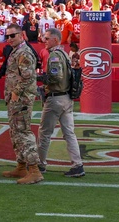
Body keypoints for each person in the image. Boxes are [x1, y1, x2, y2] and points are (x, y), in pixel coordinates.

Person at [37, 27, 84, 178]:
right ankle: (78, 165)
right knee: (69, 133)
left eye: (47, 38)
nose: (44, 41)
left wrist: (39, 79)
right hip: (67, 98)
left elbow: (55, 77)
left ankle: (40, 164)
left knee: (44, 133)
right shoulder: (64, 54)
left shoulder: (55, 55)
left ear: (55, 40)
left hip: (56, 97)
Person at [1, 24, 43, 184]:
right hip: (16, 99)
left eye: (13, 35)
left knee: (23, 131)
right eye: (8, 36)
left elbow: (28, 76)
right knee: (15, 132)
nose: (10, 39)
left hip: (21, 99)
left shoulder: (24, 52)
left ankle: (34, 170)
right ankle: (21, 166)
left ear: (21, 35)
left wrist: (16, 92)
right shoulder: (16, 51)